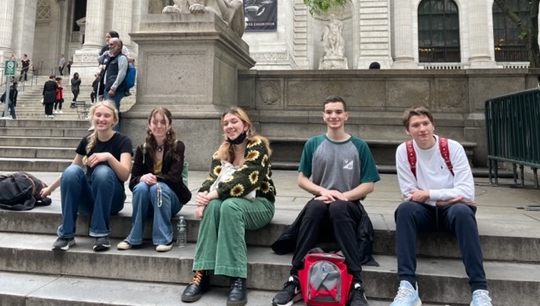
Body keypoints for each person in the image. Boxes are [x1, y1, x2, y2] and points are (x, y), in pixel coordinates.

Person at [272, 96, 380, 306]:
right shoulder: (313, 144)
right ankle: (294, 278)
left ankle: (356, 284)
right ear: (323, 116)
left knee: (339, 207)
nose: (334, 116)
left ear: (346, 115)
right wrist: (323, 191)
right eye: (329, 112)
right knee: (314, 207)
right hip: (321, 200)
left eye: (338, 112)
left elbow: (369, 184)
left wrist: (343, 196)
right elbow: (302, 179)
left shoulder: (359, 146)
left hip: (350, 205)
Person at [388, 107, 492, 306]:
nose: (422, 129)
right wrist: (446, 196)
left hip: (453, 212)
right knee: (404, 210)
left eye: (425, 123)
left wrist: (429, 194)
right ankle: (407, 286)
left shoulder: (452, 148)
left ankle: (480, 291)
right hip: (424, 212)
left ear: (433, 125)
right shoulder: (404, 151)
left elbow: (467, 192)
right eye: (416, 125)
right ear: (407, 130)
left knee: (462, 211)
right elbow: (409, 194)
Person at [181, 107, 276, 306]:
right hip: (230, 203)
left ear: (245, 125)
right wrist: (202, 198)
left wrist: (210, 197)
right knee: (216, 206)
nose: (230, 126)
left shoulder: (258, 146)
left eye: (234, 121)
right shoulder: (222, 151)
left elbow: (244, 181)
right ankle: (202, 273)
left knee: (228, 205)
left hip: (260, 204)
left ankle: (237, 278)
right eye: (226, 123)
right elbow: (211, 179)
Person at [40, 100, 132, 252]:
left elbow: (124, 175)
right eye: (98, 115)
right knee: (72, 172)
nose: (102, 119)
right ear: (92, 117)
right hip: (89, 200)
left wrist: (108, 157)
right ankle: (66, 234)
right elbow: (71, 171)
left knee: (102, 171)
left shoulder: (123, 141)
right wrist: (49, 189)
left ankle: (101, 233)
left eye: (107, 116)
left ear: (114, 120)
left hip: (112, 200)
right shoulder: (87, 140)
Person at [117, 107, 191, 251]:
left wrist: (154, 179)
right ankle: (134, 237)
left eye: (163, 122)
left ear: (169, 125)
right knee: (141, 186)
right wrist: (142, 178)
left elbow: (174, 178)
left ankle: (164, 238)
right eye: (155, 122)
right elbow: (132, 183)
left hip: (171, 198)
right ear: (149, 125)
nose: (158, 126)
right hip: (148, 198)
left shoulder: (177, 146)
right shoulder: (142, 149)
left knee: (157, 187)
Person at [102, 37, 128, 116]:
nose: (109, 46)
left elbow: (122, 73)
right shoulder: (111, 58)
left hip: (114, 90)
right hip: (108, 89)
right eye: (109, 44)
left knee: (112, 113)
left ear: (119, 46)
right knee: (109, 112)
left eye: (111, 44)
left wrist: (113, 88)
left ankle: (115, 128)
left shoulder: (122, 58)